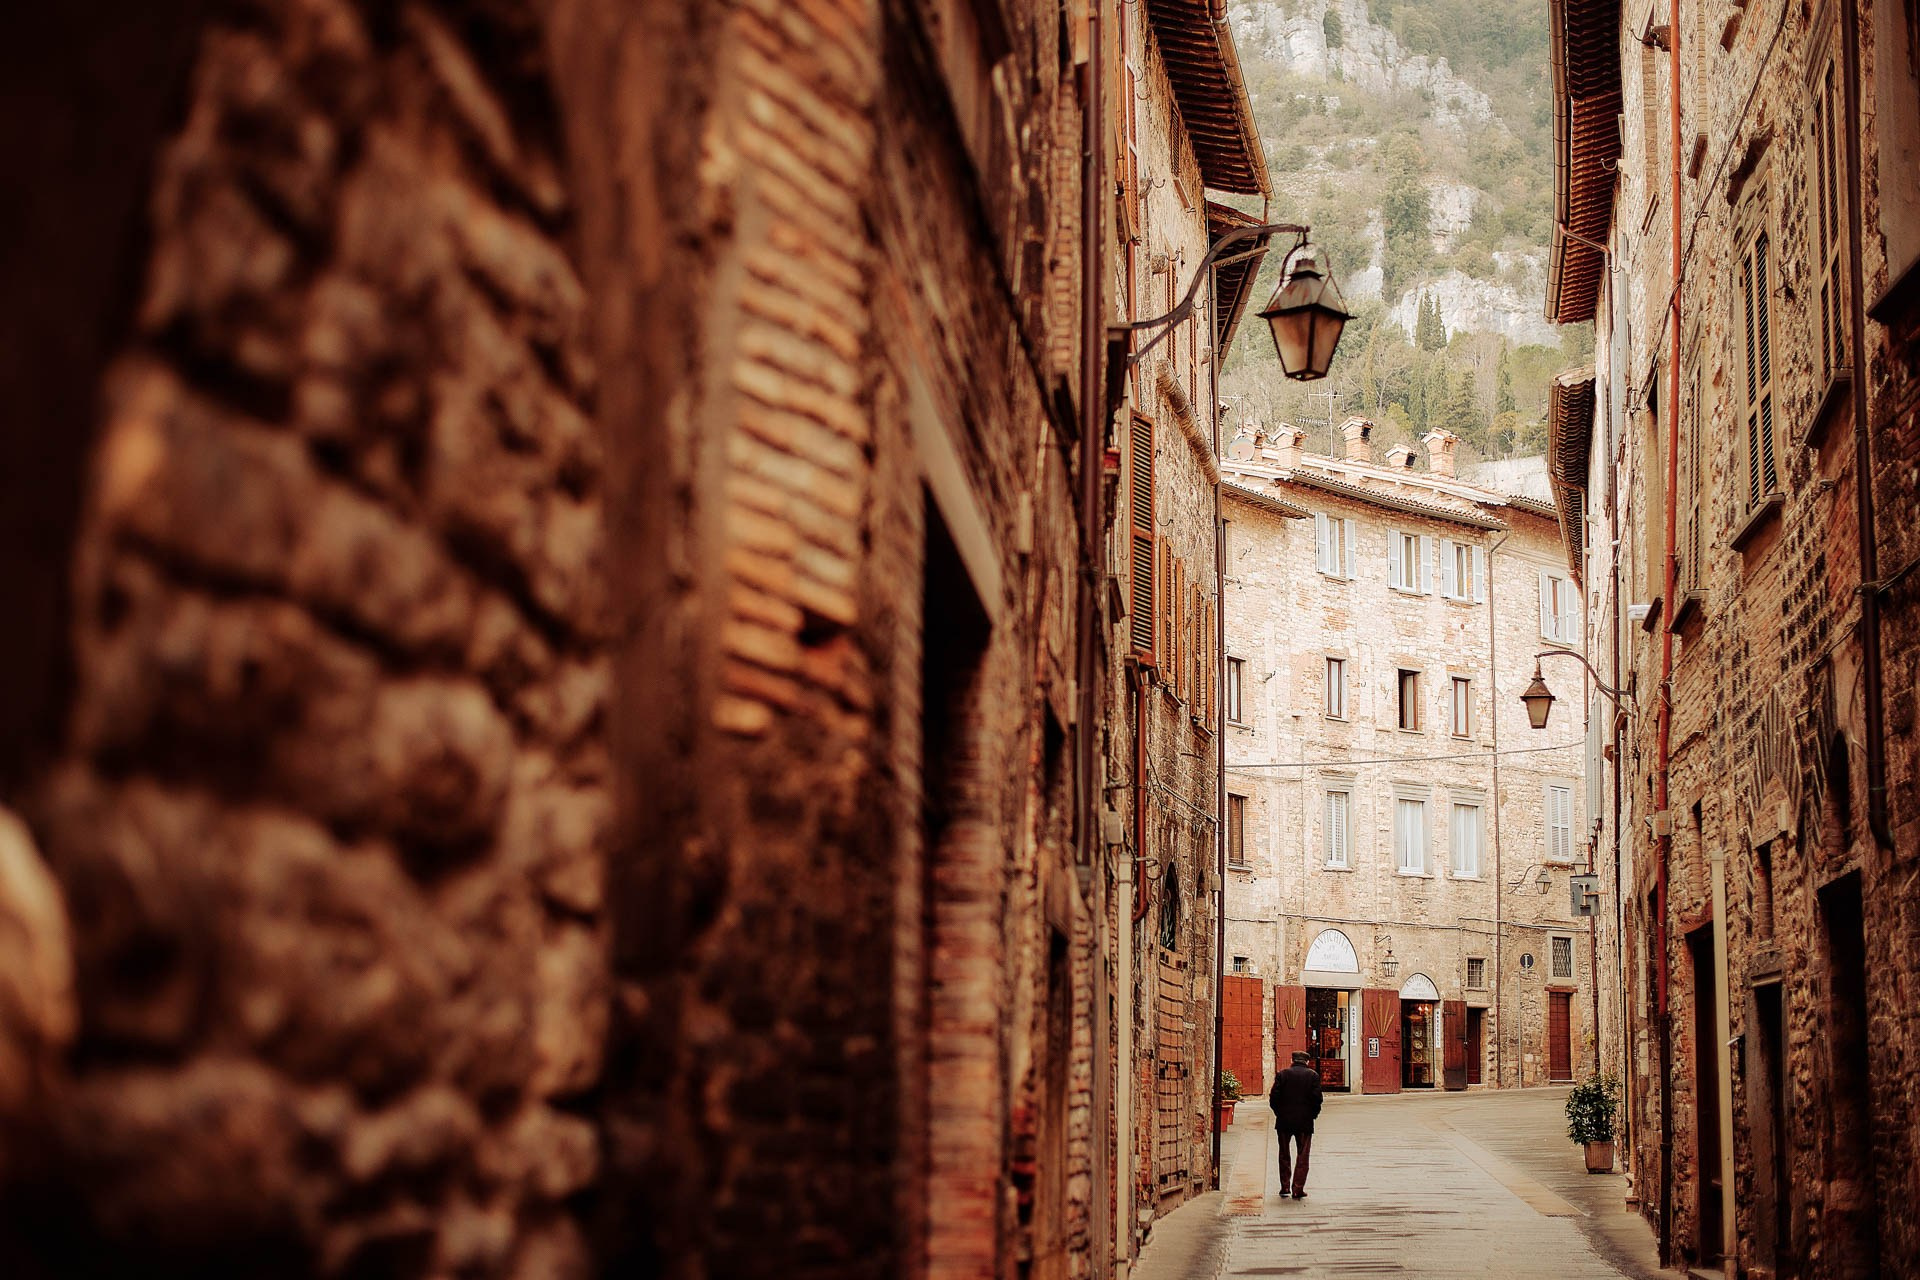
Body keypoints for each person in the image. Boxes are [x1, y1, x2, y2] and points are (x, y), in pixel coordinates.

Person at [1269, 1050, 1324, 1200]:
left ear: (1292, 1060)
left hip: (1284, 1121)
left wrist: (1279, 1113)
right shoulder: (1313, 1076)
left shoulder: (1282, 1074)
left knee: (1284, 1154)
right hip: (1305, 1122)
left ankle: (1285, 1186)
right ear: (1306, 1062)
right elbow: (1317, 1099)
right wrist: (1313, 1115)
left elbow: (1273, 1097)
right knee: (1303, 1155)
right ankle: (1297, 1188)